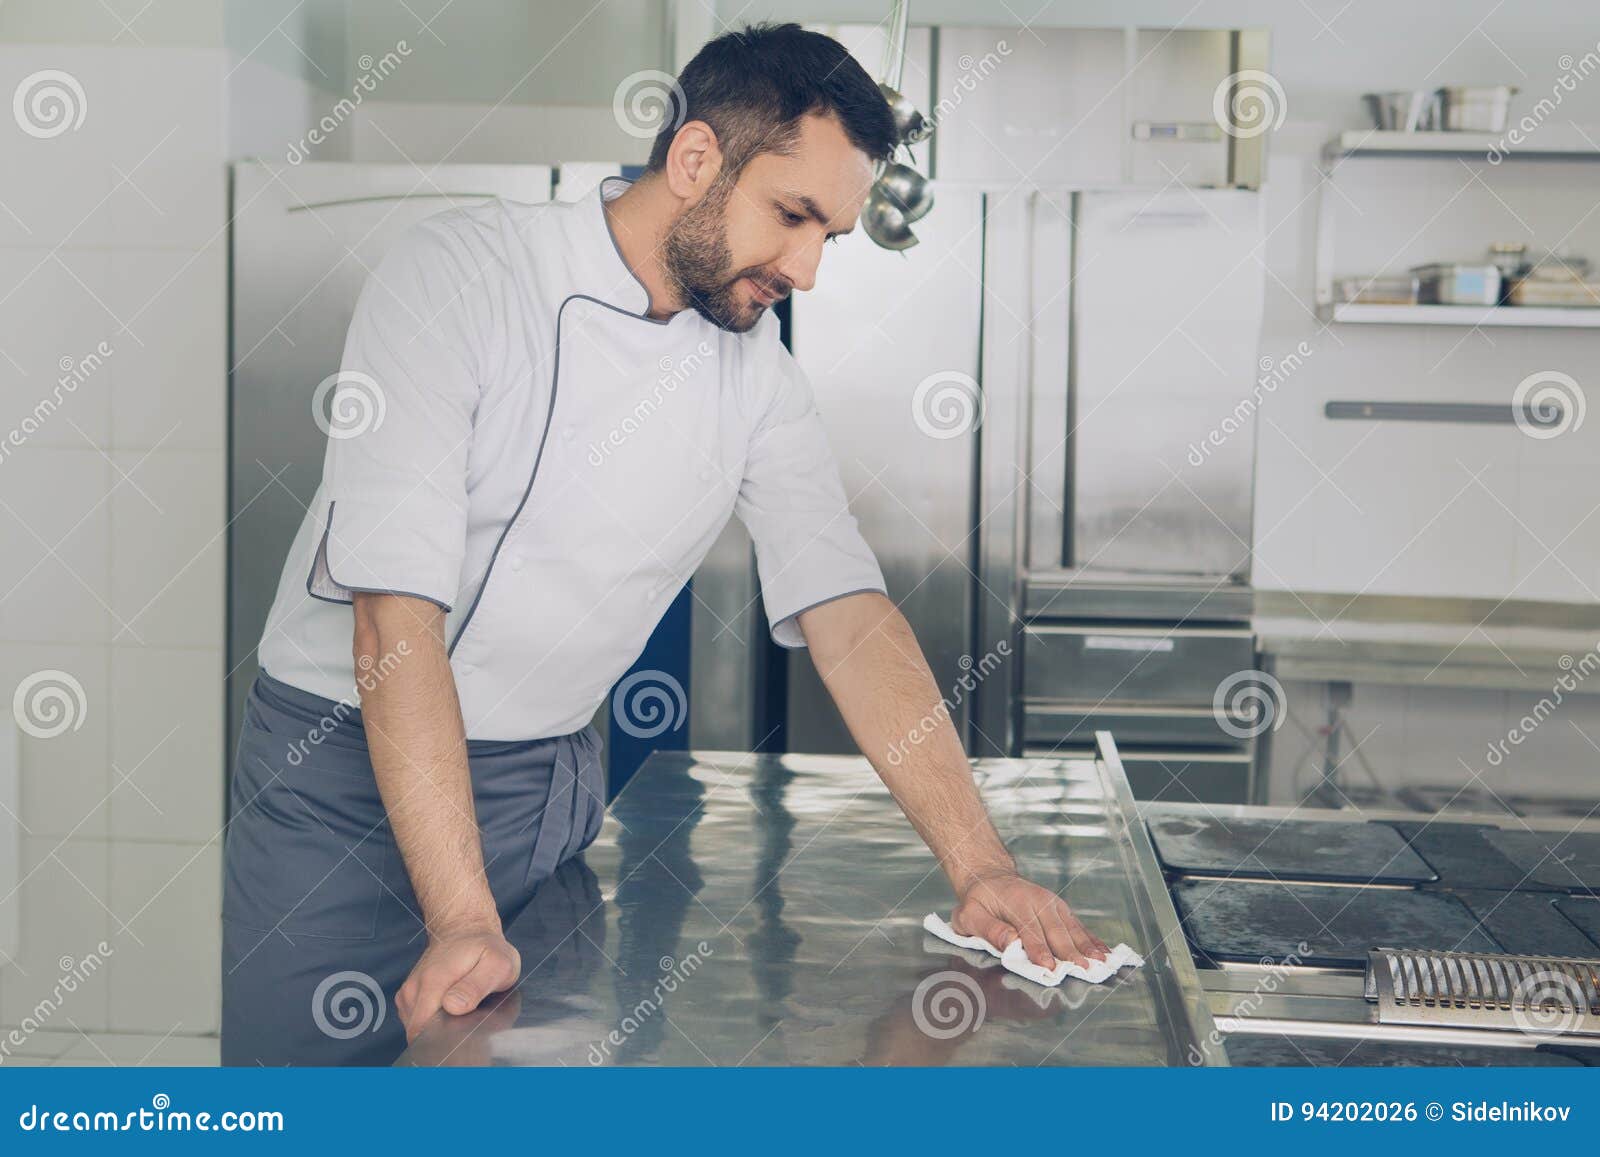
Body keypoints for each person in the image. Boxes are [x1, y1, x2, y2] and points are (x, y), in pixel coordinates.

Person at [222, 21, 1107, 1066]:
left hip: (543, 789)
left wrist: (980, 865)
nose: (810, 268)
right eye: (793, 216)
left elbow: (849, 616)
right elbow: (392, 615)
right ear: (695, 159)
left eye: (832, 235)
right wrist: (460, 915)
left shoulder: (757, 373)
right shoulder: (462, 277)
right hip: (341, 789)